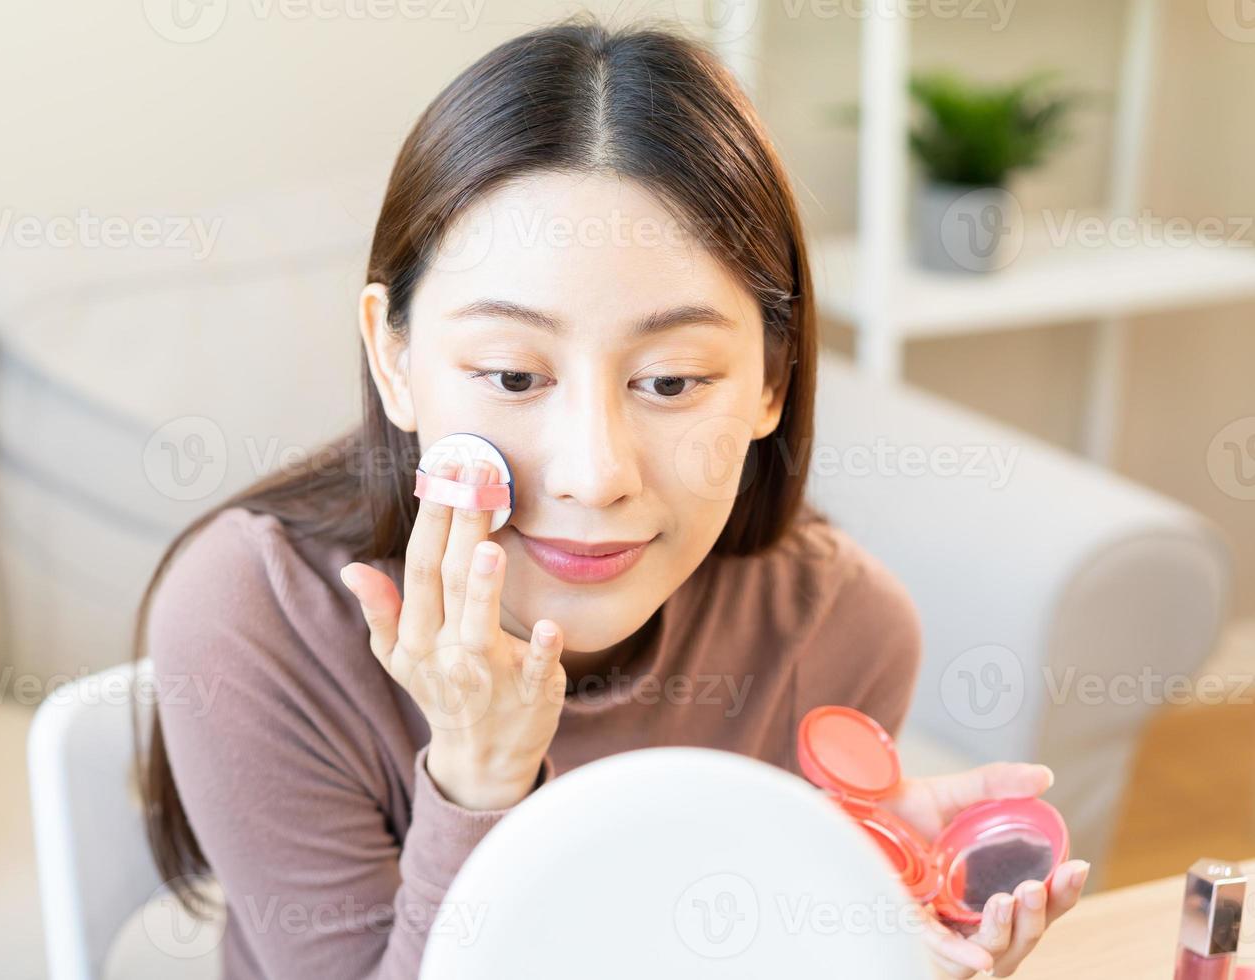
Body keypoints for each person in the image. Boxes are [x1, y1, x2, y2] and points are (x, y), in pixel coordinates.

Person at [137, 14, 1088, 979]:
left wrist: (867, 930)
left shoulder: (841, 630)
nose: (594, 474)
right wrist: (477, 781)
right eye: (513, 376)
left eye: (671, 381)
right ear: (395, 357)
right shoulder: (253, 617)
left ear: (772, 380)